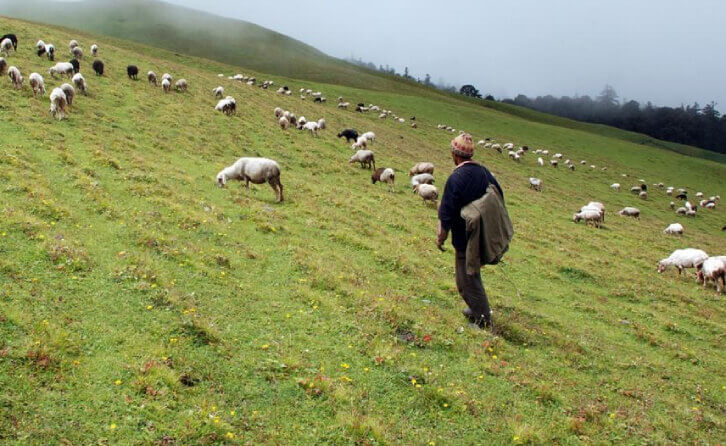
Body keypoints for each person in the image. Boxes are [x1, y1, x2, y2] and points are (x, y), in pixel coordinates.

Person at [437, 133, 504, 329]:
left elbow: (446, 214)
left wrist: (441, 238)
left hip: (465, 239)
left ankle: (482, 319)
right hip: (482, 235)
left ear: (455, 154)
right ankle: (475, 309)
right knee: (472, 275)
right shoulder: (484, 172)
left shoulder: (456, 178)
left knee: (466, 281)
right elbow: (499, 196)